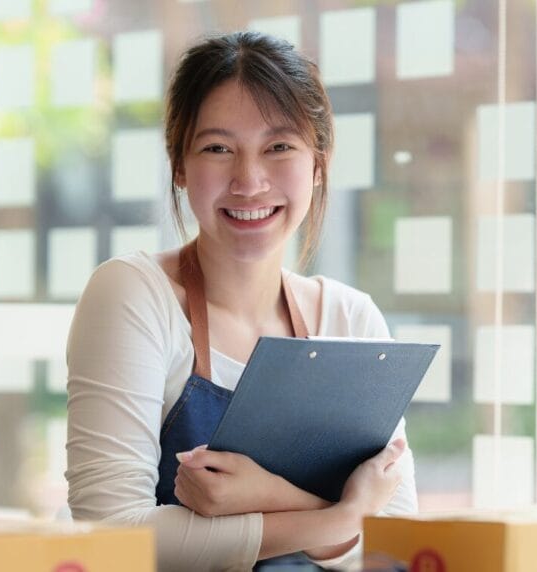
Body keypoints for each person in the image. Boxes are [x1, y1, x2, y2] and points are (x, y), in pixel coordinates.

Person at [65, 31, 418, 571]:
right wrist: (337, 516)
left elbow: (395, 546)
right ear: (179, 166)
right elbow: (112, 530)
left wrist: (266, 493)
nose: (249, 181)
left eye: (279, 146)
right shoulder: (134, 296)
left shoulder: (351, 319)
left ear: (318, 164)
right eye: (217, 148)